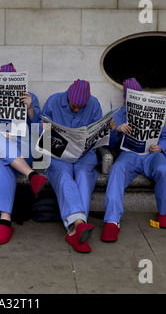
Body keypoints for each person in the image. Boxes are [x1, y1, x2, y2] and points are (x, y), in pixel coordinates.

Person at [0, 63, 47, 245]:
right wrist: (0, 135)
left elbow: (37, 130)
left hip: (23, 151)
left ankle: (5, 221)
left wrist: (30, 109)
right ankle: (32, 175)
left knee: (5, 160)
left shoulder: (30, 97)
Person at [101, 78, 166, 242]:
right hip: (129, 155)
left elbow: (165, 137)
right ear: (126, 99)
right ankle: (112, 220)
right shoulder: (119, 113)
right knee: (117, 170)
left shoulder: (154, 110)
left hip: (152, 154)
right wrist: (117, 130)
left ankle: (163, 211)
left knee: (164, 171)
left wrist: (161, 147)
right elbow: (109, 142)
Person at [42, 79, 106, 253]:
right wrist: (44, 129)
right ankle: (79, 227)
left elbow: (98, 134)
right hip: (59, 153)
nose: (77, 109)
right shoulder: (53, 101)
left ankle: (75, 230)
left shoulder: (94, 104)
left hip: (84, 155)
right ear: (68, 96)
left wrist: (108, 130)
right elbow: (40, 132)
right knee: (63, 177)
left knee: (84, 177)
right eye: (73, 106)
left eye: (80, 107)